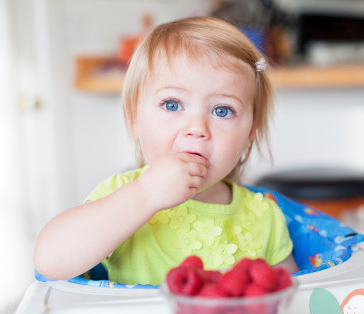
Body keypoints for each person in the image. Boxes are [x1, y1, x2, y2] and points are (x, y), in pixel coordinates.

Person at [34, 16, 298, 285]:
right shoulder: (121, 193)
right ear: (134, 118)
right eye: (172, 105)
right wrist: (145, 195)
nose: (197, 128)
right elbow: (50, 261)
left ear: (248, 134)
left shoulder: (266, 217)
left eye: (222, 110)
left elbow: (291, 302)